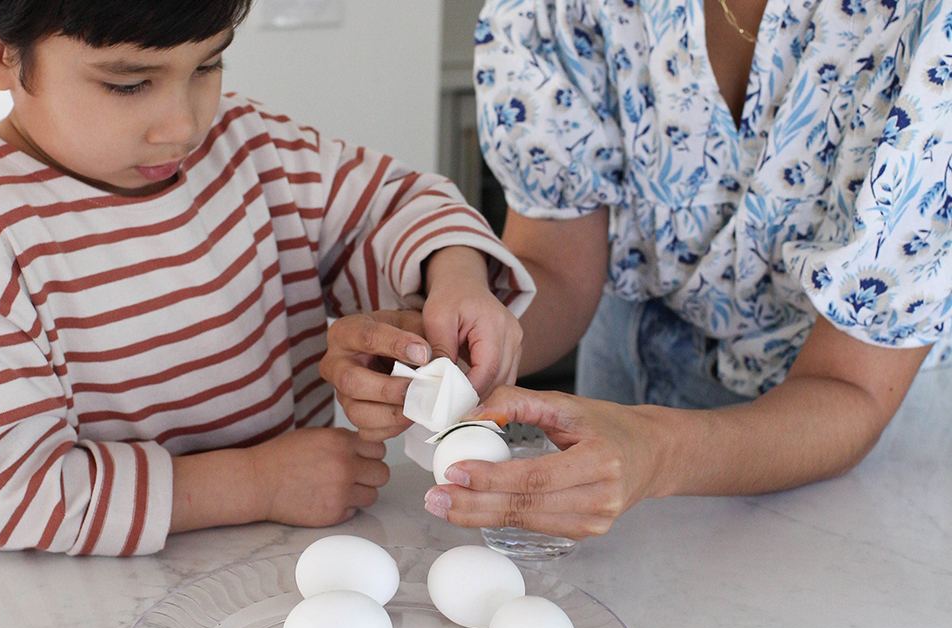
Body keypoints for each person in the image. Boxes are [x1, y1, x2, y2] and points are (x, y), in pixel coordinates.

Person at [0, 0, 531, 555]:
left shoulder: (247, 147)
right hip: (66, 625)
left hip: (261, 568)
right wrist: (252, 484)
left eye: (208, 64)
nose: (183, 124)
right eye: (129, 83)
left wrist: (456, 280)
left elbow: (396, 203)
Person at [324, 0, 951, 539]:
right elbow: (558, 266)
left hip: (845, 424)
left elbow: (854, 389)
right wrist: (447, 353)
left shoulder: (929, 27)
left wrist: (658, 451)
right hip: (625, 372)